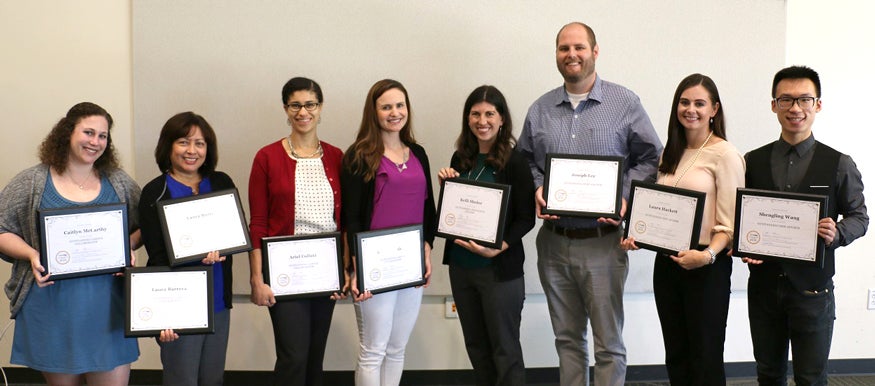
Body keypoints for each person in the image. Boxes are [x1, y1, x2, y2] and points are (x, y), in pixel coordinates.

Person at [516, 22, 663, 386]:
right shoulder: (540, 108)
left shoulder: (624, 103)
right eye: (564, 48)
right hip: (553, 242)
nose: (572, 55)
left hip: (603, 242)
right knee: (567, 340)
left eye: (579, 47)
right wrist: (536, 185)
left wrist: (625, 195)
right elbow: (525, 161)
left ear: (595, 52)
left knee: (608, 345)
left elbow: (651, 158)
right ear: (556, 54)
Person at [742, 65, 868, 385]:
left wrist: (837, 233)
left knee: (811, 378)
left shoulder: (839, 163)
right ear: (774, 105)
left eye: (804, 100)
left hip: (813, 292)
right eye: (785, 100)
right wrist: (742, 245)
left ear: (818, 105)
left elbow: (860, 216)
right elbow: (739, 216)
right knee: (768, 374)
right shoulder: (751, 162)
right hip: (764, 288)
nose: (795, 108)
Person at [0, 102, 141, 385]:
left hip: (108, 310)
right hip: (53, 309)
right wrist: (31, 254)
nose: (95, 142)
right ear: (67, 133)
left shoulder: (118, 181)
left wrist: (127, 245)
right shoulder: (32, 182)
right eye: (88, 132)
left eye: (103, 136)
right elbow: (2, 230)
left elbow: (143, 226)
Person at [620, 74, 745, 385]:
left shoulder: (726, 154)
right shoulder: (670, 153)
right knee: (676, 354)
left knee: (705, 355)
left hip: (706, 267)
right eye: (685, 102)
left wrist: (708, 257)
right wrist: (640, 235)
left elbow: (730, 225)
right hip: (668, 264)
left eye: (700, 103)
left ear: (714, 109)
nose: (691, 109)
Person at [247, 77, 345, 386]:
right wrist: (256, 278)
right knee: (293, 357)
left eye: (310, 104)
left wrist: (345, 270)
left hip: (326, 270)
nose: (303, 112)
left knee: (315, 356)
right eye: (295, 105)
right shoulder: (267, 157)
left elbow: (343, 221)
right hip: (285, 272)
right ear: (286, 109)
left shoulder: (336, 157)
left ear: (321, 107)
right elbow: (258, 223)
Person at [437, 85, 535, 386]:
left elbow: (525, 218)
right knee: (476, 347)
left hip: (498, 271)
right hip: (462, 268)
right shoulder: (460, 158)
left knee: (505, 350)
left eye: (490, 113)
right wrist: (446, 187)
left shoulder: (515, 162)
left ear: (502, 118)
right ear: (468, 119)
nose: (483, 121)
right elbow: (454, 213)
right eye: (476, 114)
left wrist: (500, 247)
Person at [342, 79, 436, 386]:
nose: (394, 113)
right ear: (374, 112)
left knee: (396, 349)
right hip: (375, 266)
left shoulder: (418, 153)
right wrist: (356, 267)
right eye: (386, 107)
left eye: (400, 105)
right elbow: (352, 218)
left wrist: (427, 248)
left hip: (410, 264)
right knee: (373, 350)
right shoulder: (359, 155)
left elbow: (428, 210)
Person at [138, 112, 234, 385]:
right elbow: (156, 257)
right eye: (183, 142)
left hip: (217, 300)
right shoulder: (154, 192)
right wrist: (161, 317)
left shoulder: (221, 182)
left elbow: (237, 234)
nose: (192, 151)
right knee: (182, 378)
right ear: (168, 146)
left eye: (200, 143)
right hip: (178, 304)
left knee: (212, 378)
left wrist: (226, 249)